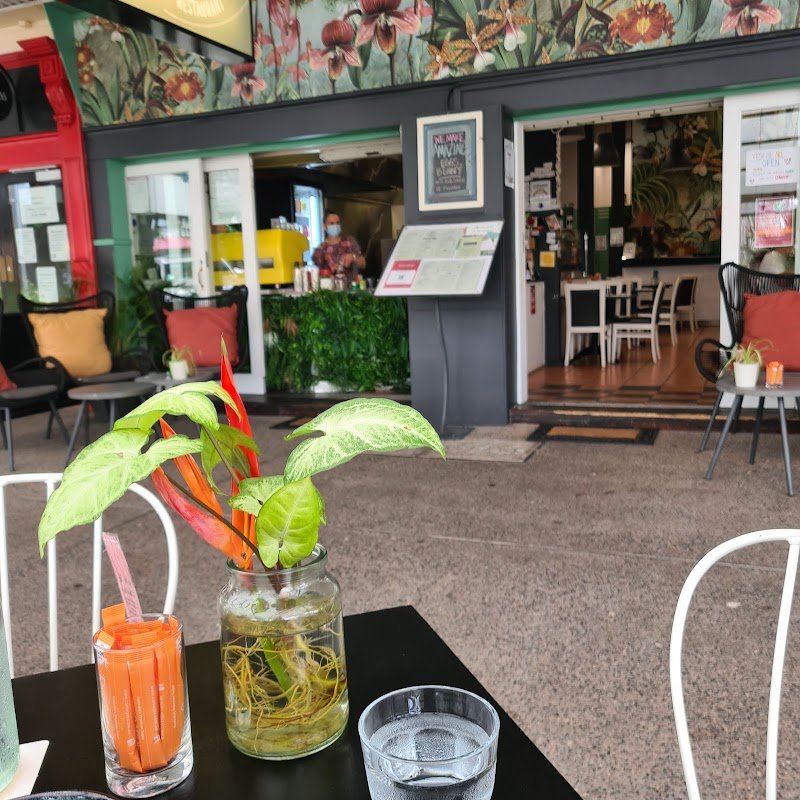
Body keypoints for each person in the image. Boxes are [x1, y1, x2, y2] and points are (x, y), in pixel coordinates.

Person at [312, 211, 365, 286]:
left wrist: (353, 257)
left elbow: (363, 264)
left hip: (353, 288)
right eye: (331, 223)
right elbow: (317, 274)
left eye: (337, 223)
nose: (335, 226)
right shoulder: (320, 250)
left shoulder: (349, 242)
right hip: (330, 290)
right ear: (324, 226)